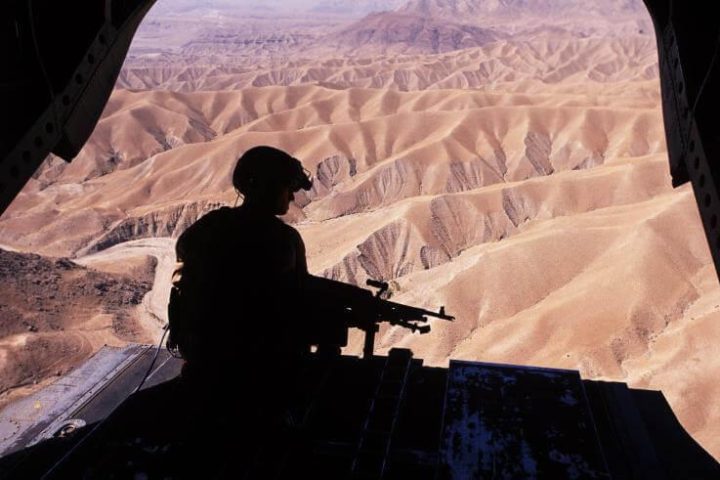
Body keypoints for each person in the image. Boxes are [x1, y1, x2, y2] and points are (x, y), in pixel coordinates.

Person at [170, 145, 314, 420]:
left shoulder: (212, 225)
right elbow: (301, 297)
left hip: (204, 367)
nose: (292, 195)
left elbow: (184, 250)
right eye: (286, 187)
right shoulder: (283, 240)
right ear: (268, 188)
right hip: (257, 377)